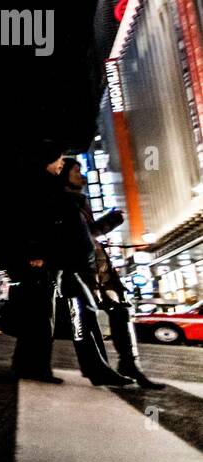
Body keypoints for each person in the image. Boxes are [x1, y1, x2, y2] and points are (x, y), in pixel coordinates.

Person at [10, 142, 131, 386]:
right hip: (56, 260)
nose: (62, 164)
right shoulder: (42, 187)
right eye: (59, 160)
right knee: (57, 313)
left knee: (48, 314)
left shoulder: (50, 187)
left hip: (63, 260)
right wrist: (35, 251)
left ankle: (33, 366)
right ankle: (88, 369)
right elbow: (34, 221)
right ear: (47, 161)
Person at [61, 159, 162, 388]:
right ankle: (98, 369)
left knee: (121, 308)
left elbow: (87, 235)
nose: (81, 174)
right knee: (85, 317)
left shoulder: (79, 200)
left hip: (100, 264)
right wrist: (111, 221)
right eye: (76, 171)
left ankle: (129, 363)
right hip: (80, 266)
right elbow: (81, 236)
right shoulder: (63, 200)